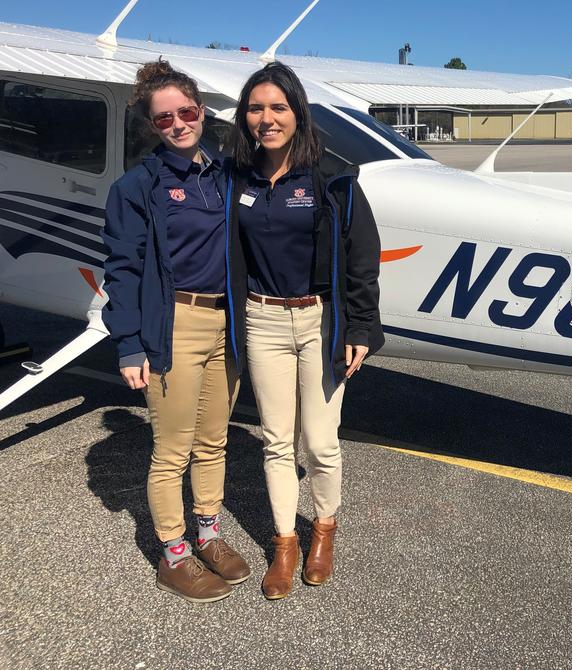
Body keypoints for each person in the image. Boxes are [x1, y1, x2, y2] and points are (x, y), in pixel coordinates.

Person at [232, 62, 383, 600]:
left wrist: (361, 324)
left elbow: (362, 256)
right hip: (262, 317)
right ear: (244, 116)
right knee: (275, 441)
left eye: (278, 107)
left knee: (319, 442)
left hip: (320, 319)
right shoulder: (238, 177)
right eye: (256, 108)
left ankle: (324, 530)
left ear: (297, 112)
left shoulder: (332, 177)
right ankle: (286, 542)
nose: (266, 118)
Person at [102, 60, 250, 603]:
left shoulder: (224, 174)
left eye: (186, 112)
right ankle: (174, 553)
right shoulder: (137, 186)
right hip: (174, 322)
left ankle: (208, 534)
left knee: (214, 441)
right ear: (152, 125)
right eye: (164, 118)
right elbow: (121, 266)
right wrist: (129, 341)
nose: (178, 124)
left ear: (202, 112)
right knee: (173, 450)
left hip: (225, 320)